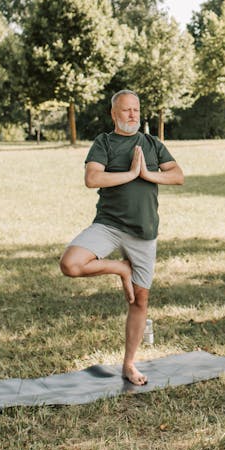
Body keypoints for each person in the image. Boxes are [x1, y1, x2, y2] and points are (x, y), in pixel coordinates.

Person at [59, 89, 184, 386]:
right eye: (126, 110)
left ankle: (129, 364)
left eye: (136, 110)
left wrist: (148, 174)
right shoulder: (104, 142)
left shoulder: (152, 144)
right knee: (71, 264)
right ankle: (120, 268)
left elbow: (177, 175)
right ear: (114, 114)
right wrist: (129, 174)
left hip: (144, 232)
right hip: (110, 225)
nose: (132, 115)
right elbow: (92, 179)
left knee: (140, 300)